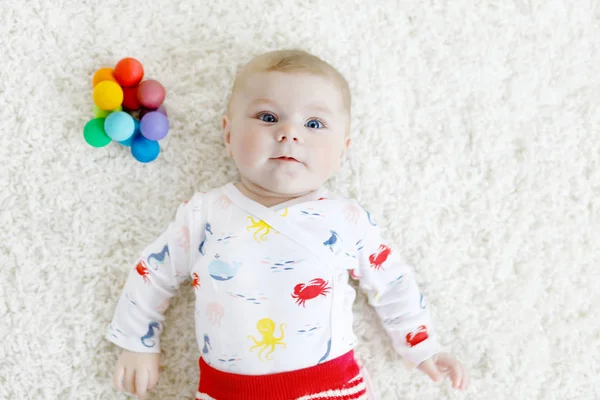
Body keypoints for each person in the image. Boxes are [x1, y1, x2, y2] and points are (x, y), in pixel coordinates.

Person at [106, 49, 469, 400]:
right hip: (228, 391)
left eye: (314, 124)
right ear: (229, 135)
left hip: (328, 387)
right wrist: (137, 342)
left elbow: (392, 283)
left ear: (343, 149)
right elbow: (152, 273)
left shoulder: (345, 219)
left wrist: (421, 345)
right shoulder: (205, 213)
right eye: (267, 117)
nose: (289, 133)